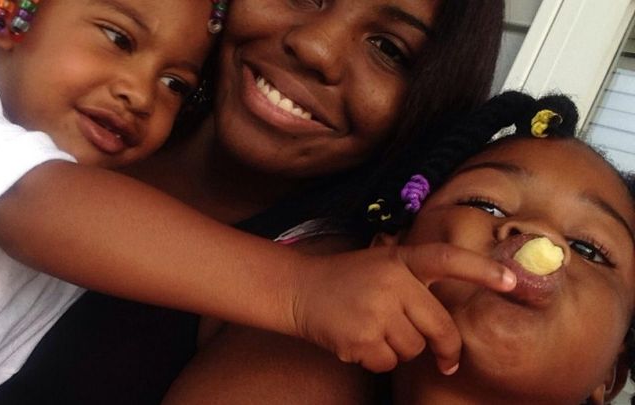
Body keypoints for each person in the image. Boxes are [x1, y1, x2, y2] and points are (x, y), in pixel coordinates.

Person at [0, 1, 513, 403]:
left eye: (389, 49)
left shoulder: (338, 309)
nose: (316, 46)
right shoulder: (41, 108)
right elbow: (17, 192)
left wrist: (313, 293)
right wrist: (300, 291)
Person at [161, 92, 635, 405]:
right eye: (485, 205)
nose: (539, 233)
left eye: (589, 248)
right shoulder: (295, 352)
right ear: (385, 253)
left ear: (612, 371)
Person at [0, 0, 216, 403]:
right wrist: (294, 295)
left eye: (174, 84)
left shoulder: (71, 265)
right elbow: (28, 195)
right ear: (8, 15)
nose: (141, 95)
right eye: (118, 38)